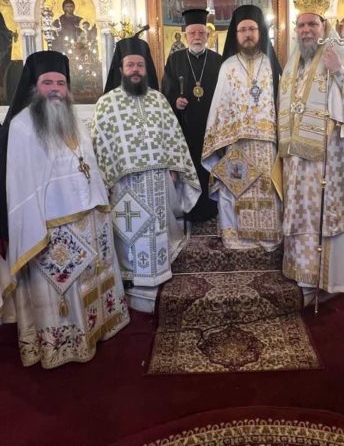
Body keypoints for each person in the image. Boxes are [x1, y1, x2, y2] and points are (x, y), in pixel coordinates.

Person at [0, 50, 129, 368]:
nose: (55, 89)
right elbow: (21, 186)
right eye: (48, 83)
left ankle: (98, 329)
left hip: (90, 218)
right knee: (64, 288)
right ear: (35, 86)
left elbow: (89, 165)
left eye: (61, 83)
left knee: (92, 282)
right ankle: (65, 345)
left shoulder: (75, 122)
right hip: (51, 229)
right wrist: (38, 227)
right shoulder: (22, 126)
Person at [279, 0, 344, 297]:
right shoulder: (294, 61)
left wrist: (339, 72)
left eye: (312, 24)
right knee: (301, 212)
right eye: (301, 25)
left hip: (327, 158)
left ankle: (326, 277)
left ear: (323, 26)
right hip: (296, 159)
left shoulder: (338, 52)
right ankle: (300, 271)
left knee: (321, 214)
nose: (306, 30)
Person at [92, 37, 201, 290]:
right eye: (130, 65)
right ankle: (131, 273)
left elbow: (172, 135)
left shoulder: (158, 100)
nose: (135, 70)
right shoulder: (106, 103)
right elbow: (100, 144)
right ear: (121, 69)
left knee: (157, 226)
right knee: (131, 228)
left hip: (157, 181)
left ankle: (161, 269)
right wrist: (105, 179)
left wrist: (175, 165)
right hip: (124, 184)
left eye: (140, 65)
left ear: (146, 68)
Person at [202, 4, 283, 250]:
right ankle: (237, 237)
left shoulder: (271, 65)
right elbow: (219, 106)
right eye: (242, 30)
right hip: (236, 142)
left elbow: (281, 104)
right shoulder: (228, 66)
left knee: (268, 190)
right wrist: (218, 142)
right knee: (236, 189)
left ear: (260, 32)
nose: (248, 34)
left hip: (267, 143)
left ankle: (267, 238)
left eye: (252, 29)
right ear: (235, 34)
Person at [162, 9, 222, 222]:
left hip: (211, 129)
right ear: (185, 35)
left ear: (208, 35)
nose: (197, 37)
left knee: (209, 169)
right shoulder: (175, 60)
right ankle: (189, 210)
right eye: (192, 33)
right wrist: (175, 102)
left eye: (201, 33)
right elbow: (165, 91)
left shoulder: (218, 61)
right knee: (190, 170)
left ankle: (211, 209)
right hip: (185, 130)